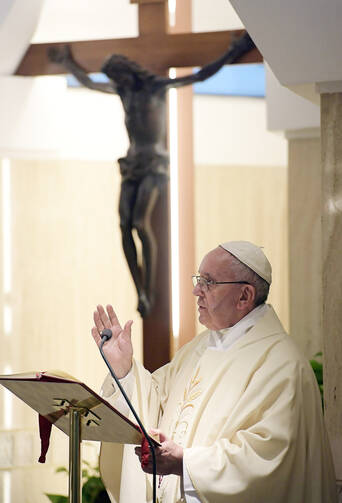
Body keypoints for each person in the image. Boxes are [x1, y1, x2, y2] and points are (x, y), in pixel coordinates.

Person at [91, 241, 337, 503]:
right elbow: (156, 404)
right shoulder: (199, 347)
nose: (196, 290)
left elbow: (266, 460)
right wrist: (124, 369)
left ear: (244, 296)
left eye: (208, 282)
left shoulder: (283, 366)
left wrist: (185, 463)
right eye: (198, 279)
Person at [49, 33, 255, 318]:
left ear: (127, 71)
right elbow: (90, 82)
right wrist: (67, 63)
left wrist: (233, 51)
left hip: (154, 163)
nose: (116, 82)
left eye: (118, 76)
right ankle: (140, 290)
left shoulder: (155, 87)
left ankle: (150, 288)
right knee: (123, 225)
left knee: (140, 223)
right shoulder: (124, 91)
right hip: (132, 162)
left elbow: (199, 76)